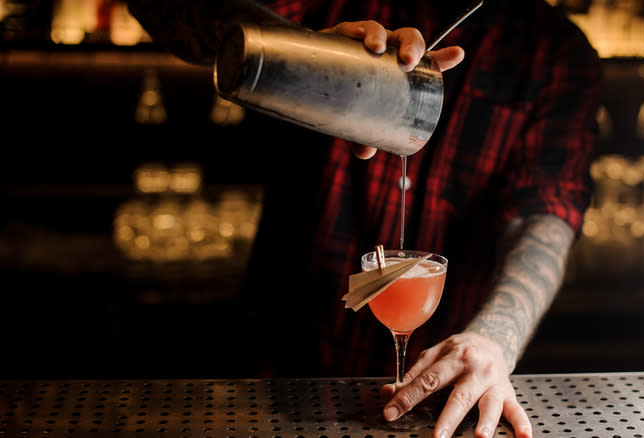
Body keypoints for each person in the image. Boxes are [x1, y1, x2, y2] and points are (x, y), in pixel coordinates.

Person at [126, 1, 603, 437]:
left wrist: (495, 337)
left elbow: (547, 217)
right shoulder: (339, 3)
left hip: (438, 398)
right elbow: (166, 13)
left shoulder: (555, 54)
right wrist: (309, 49)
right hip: (282, 371)